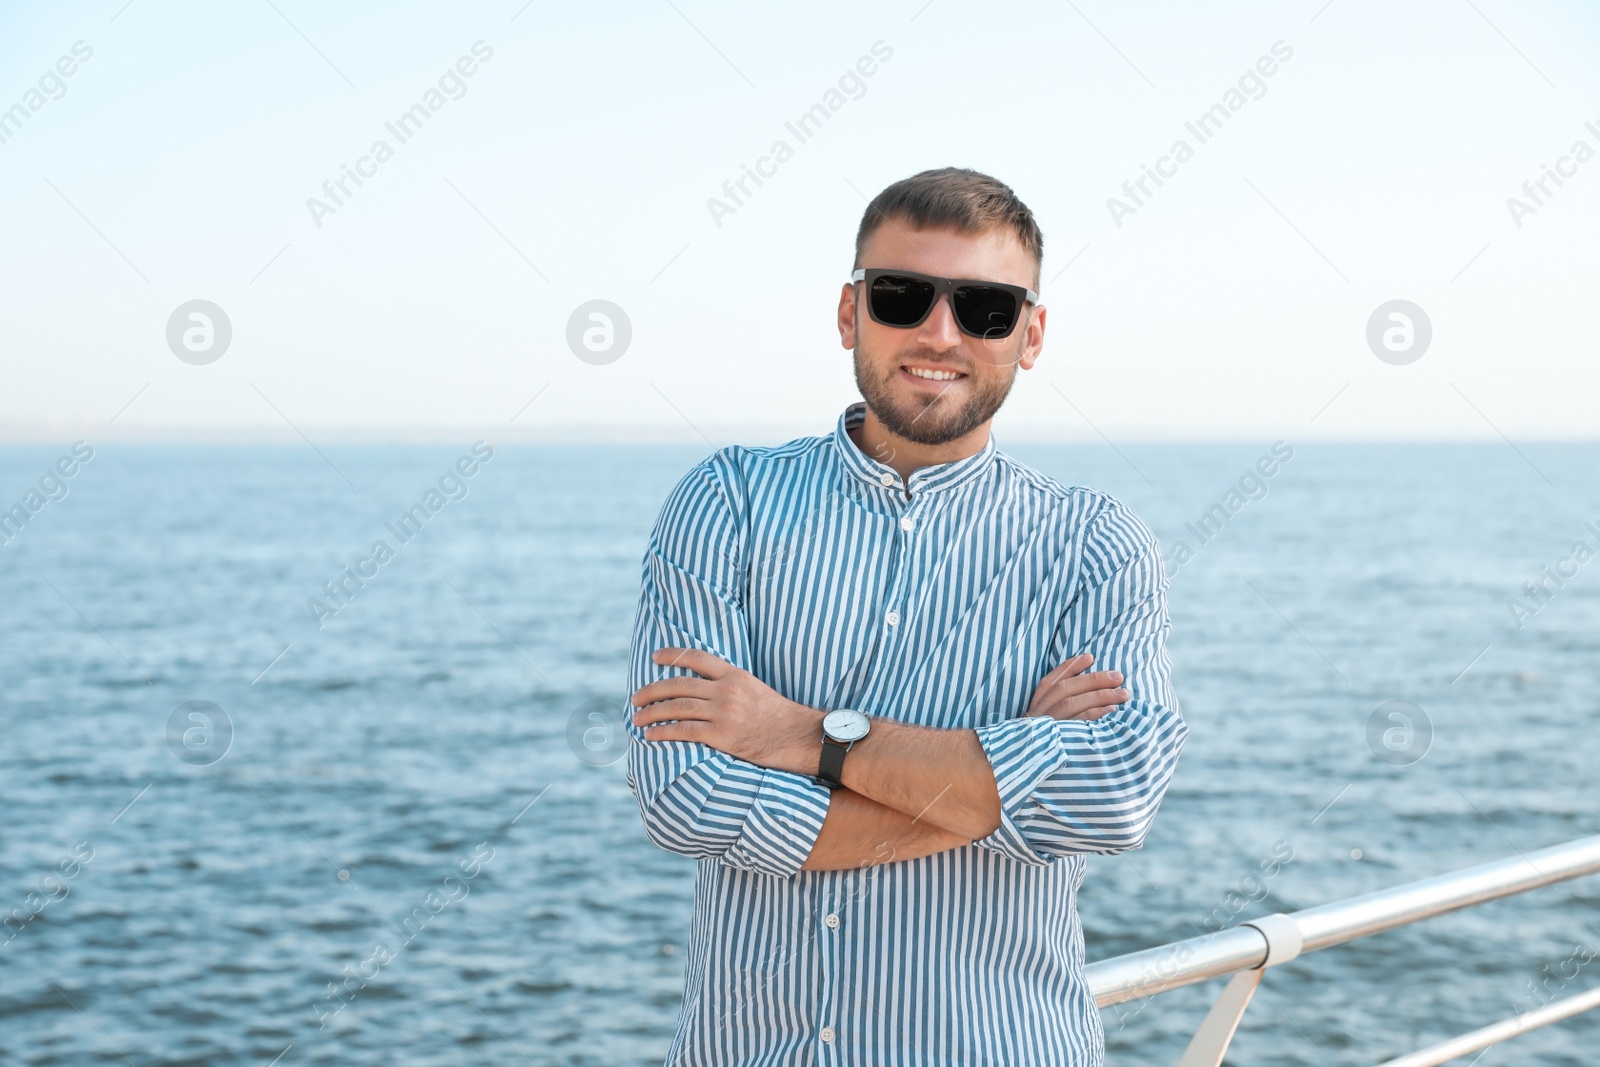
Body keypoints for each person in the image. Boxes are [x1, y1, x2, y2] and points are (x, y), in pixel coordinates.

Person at [625, 166, 1188, 1066]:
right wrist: (992, 776)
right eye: (902, 296)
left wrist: (804, 736)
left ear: (1031, 334)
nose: (939, 333)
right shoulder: (723, 503)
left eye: (985, 309)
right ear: (850, 313)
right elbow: (686, 797)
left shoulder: (1094, 543)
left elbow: (1113, 794)